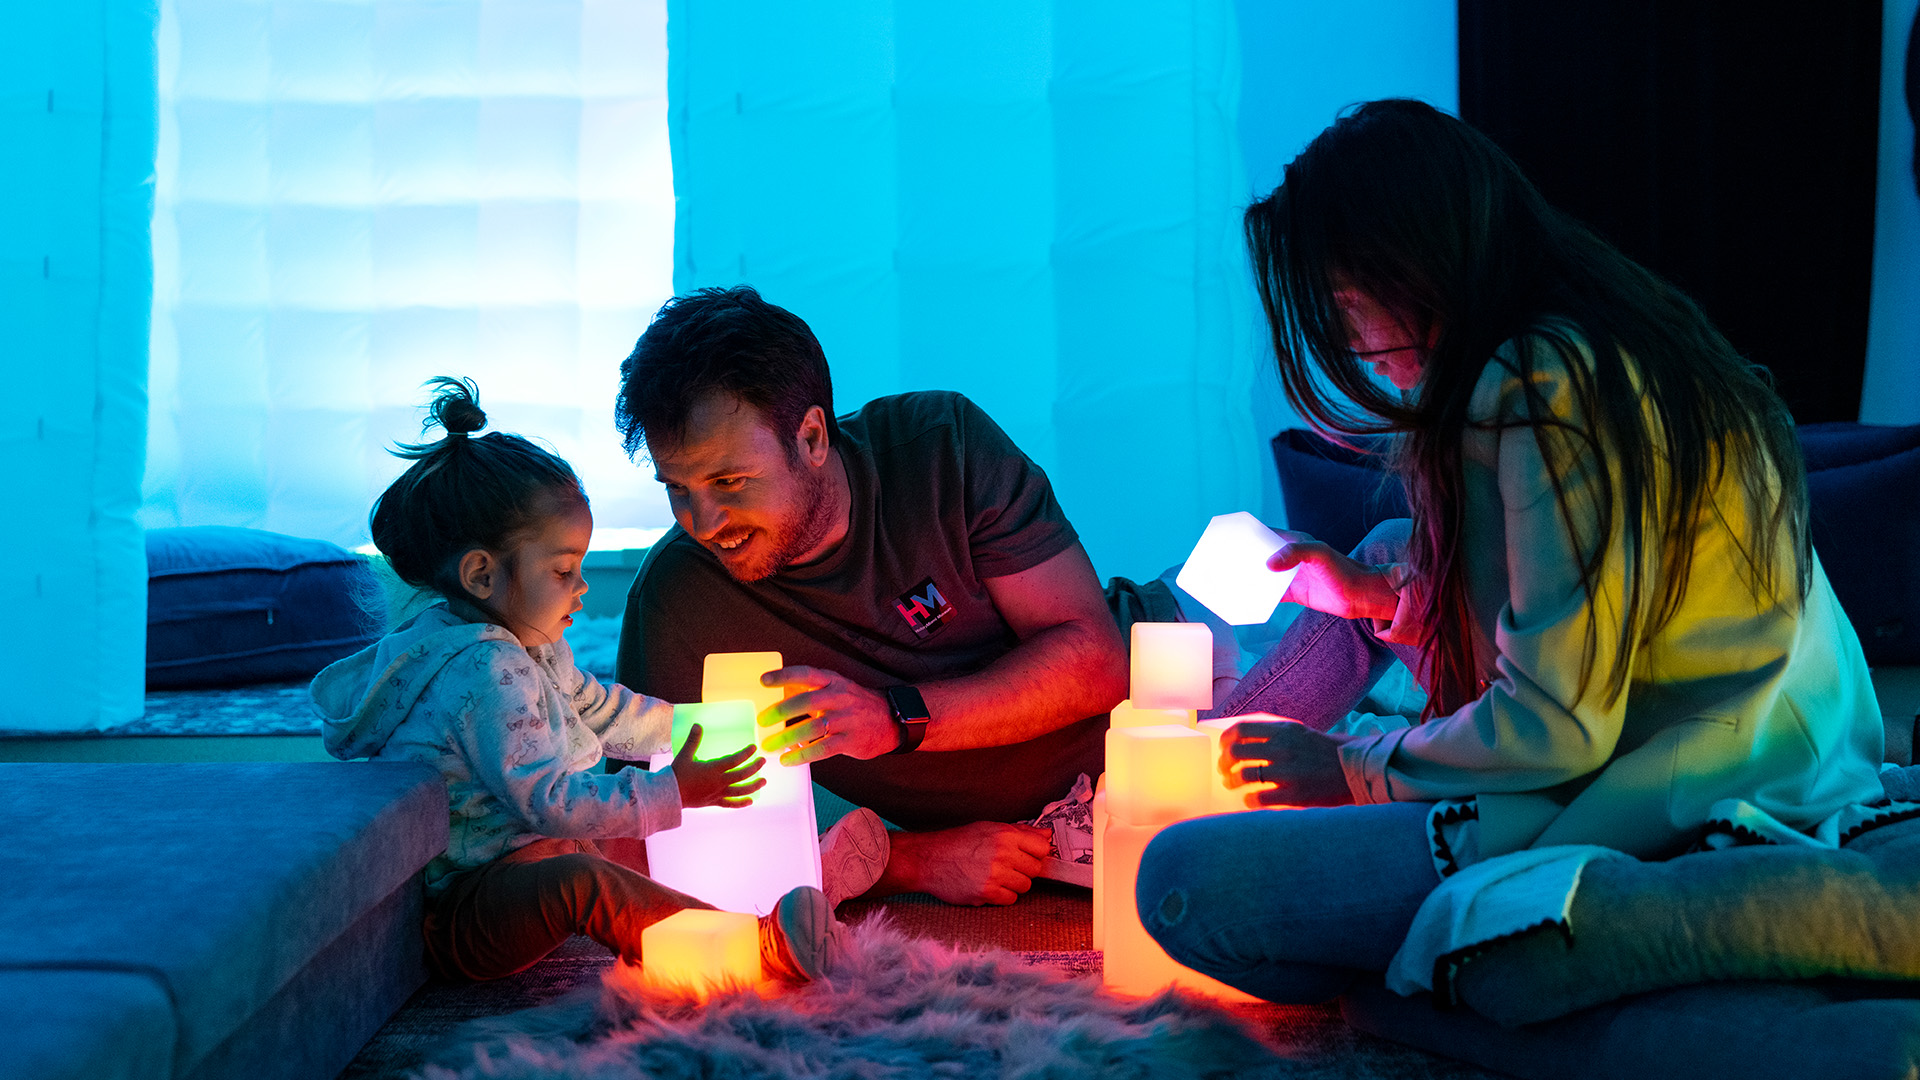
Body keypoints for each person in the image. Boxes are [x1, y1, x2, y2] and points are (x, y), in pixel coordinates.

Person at [1136, 99, 1887, 1003]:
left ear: (1413, 264)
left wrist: (1345, 768)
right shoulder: (1615, 343)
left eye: (1346, 305)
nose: (1352, 346)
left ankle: (1464, 993)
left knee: (1183, 885)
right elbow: (1582, 594)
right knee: (1385, 550)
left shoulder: (1545, 384)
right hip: (1770, 744)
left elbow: (1557, 726)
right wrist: (1375, 593)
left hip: (1675, 794)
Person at [312, 377, 843, 984]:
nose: (582, 587)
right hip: (466, 908)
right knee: (588, 878)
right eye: (564, 570)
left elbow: (602, 710)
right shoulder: (485, 670)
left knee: (642, 840)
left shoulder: (528, 646)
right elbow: (548, 803)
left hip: (525, 858)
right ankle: (762, 948)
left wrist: (710, 722)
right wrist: (674, 790)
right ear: (482, 575)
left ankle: (804, 883)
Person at [614, 286, 1130, 907]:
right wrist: (904, 859)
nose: (704, 521)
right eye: (677, 489)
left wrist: (892, 719)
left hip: (1167, 720)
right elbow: (643, 833)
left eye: (730, 481)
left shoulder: (942, 450)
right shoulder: (679, 601)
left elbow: (1099, 663)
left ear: (811, 438)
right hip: (1042, 843)